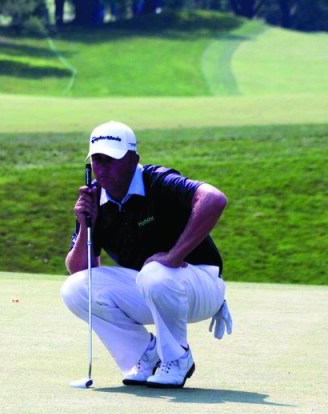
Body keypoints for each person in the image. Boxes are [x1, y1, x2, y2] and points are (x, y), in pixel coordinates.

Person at [61, 121, 232, 389]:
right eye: (97, 160)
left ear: (133, 160)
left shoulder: (158, 182)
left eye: (111, 159)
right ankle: (144, 354)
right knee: (75, 289)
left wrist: (175, 255)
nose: (103, 168)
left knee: (156, 273)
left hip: (202, 285)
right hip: (152, 286)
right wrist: (86, 225)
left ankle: (177, 358)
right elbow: (82, 270)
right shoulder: (94, 199)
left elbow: (214, 199)